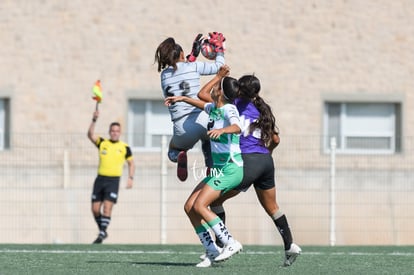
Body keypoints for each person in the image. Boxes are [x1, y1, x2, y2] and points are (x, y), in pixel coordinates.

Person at [198, 74, 302, 267]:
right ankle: (290, 245)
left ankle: (222, 244)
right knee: (272, 207)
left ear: (238, 90)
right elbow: (276, 140)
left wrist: (218, 77)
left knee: (213, 200)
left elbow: (203, 95)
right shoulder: (263, 110)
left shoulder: (232, 104)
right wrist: (266, 154)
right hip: (265, 161)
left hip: (246, 162)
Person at [164, 65, 243, 268]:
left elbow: (238, 127)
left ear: (220, 92)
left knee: (200, 205)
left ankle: (230, 242)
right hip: (219, 169)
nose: (213, 88)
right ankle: (211, 249)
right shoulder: (214, 108)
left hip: (231, 168)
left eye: (217, 86)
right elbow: (200, 97)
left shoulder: (228, 109)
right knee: (189, 207)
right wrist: (181, 99)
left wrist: (224, 130)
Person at [154, 33, 226, 181]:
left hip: (183, 127)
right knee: (208, 141)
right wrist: (219, 51)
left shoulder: (164, 76)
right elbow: (219, 67)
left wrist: (192, 56)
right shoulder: (194, 66)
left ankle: (179, 155)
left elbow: (180, 70)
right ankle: (211, 168)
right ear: (182, 54)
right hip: (204, 118)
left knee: (172, 151)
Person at [87, 110, 135, 244]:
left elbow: (131, 163)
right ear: (109, 132)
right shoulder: (102, 143)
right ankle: (102, 230)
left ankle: (102, 233)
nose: (115, 133)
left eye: (117, 131)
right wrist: (94, 120)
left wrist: (130, 178)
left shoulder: (124, 147)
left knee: (107, 208)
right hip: (100, 179)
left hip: (113, 181)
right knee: (95, 209)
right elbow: (90, 135)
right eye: (112, 131)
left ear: (120, 133)